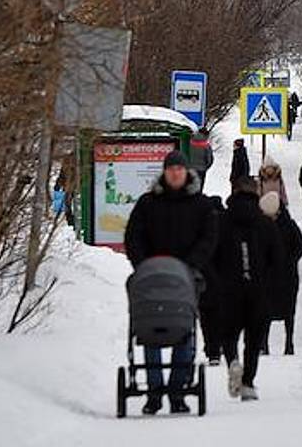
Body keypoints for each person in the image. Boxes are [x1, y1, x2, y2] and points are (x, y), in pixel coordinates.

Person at [123, 149, 217, 415]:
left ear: (186, 172)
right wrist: (143, 265)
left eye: (179, 169)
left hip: (186, 277)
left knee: (183, 332)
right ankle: (154, 393)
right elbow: (134, 236)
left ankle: (177, 391)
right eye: (171, 169)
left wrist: (191, 265)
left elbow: (209, 238)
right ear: (165, 172)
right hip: (152, 277)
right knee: (150, 332)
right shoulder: (148, 203)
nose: (175, 173)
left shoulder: (200, 205)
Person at [213, 177, 280, 402]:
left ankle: (232, 360)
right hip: (258, 290)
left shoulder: (221, 223)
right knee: (254, 338)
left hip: (228, 289)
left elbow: (210, 256)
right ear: (256, 194)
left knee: (228, 333)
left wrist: (217, 281)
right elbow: (278, 260)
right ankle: (248, 382)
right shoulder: (265, 224)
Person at [259, 191, 302, 356]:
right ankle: (264, 344)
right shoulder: (263, 227)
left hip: (286, 276)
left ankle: (289, 343)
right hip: (271, 276)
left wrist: (290, 261)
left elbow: (300, 246)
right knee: (265, 310)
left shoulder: (288, 226)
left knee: (288, 311)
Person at [199, 195, 228, 365]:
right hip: (223, 278)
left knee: (206, 316)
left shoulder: (204, 225)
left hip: (205, 277)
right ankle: (219, 344)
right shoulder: (227, 224)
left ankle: (211, 348)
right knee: (221, 314)